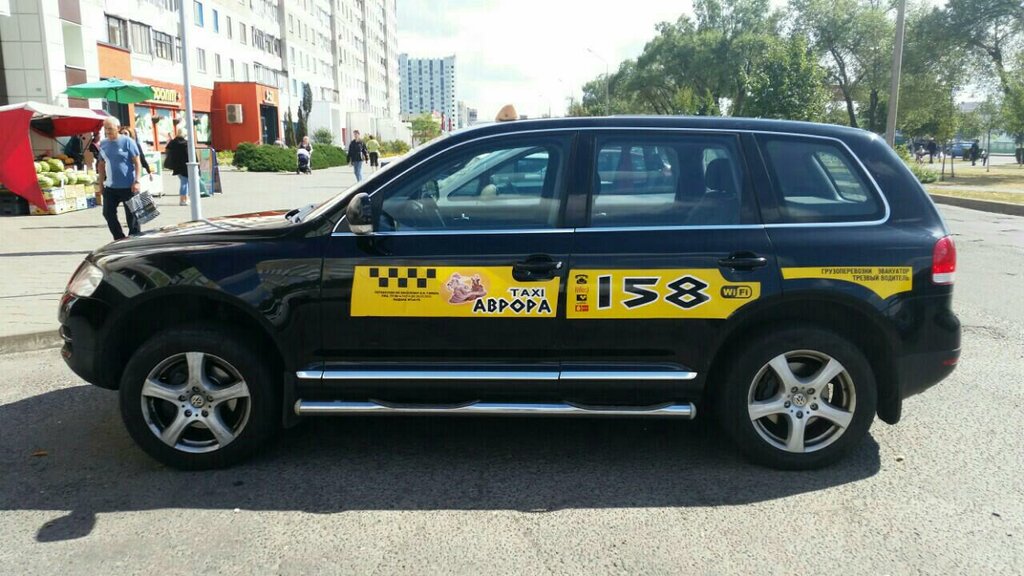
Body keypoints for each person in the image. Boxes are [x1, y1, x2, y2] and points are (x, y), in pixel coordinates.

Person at [97, 116, 142, 240]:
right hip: (111, 187)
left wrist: (137, 181)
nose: (108, 131)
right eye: (105, 128)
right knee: (108, 213)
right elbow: (101, 164)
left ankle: (134, 240)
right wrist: (100, 184)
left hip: (129, 186)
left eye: (110, 128)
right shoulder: (103, 144)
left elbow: (137, 163)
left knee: (133, 217)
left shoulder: (128, 141)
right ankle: (119, 238)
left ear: (117, 128)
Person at [164, 124, 191, 206]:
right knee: (185, 182)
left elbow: (167, 150)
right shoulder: (186, 143)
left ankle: (185, 198)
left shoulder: (173, 142)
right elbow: (189, 155)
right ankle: (183, 200)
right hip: (185, 165)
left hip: (176, 165)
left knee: (184, 182)